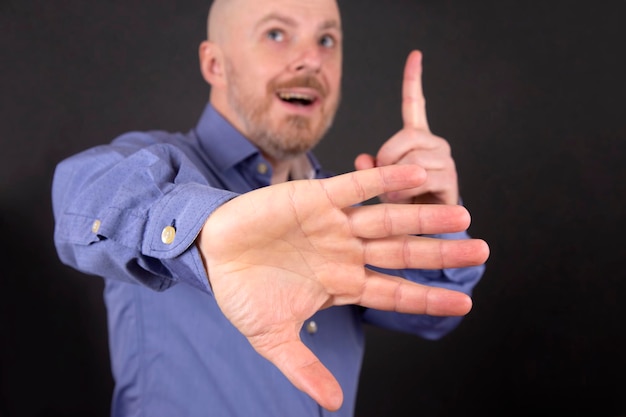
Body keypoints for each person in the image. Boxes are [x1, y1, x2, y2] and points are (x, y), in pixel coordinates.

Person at [51, 0, 489, 415]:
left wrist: (433, 218)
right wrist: (205, 230)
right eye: (276, 33)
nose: (311, 60)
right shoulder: (155, 170)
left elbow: (436, 314)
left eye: (327, 40)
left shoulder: (335, 216)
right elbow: (82, 196)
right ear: (215, 64)